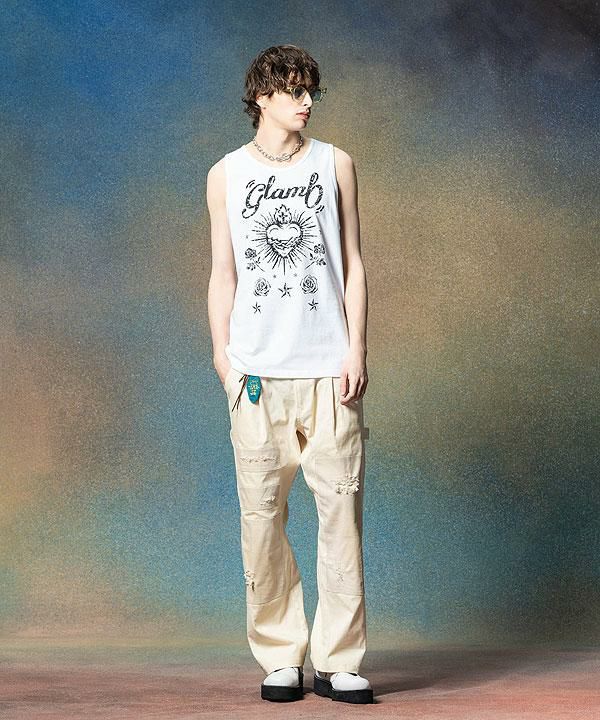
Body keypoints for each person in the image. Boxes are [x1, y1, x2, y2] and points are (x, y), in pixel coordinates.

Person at [206, 44, 372, 704]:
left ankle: (338, 659)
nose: (306, 102)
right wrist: (224, 360)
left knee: (341, 519)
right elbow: (223, 273)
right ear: (262, 96)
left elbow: (353, 263)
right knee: (261, 521)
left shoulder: (336, 164)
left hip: (330, 372)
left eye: (310, 91)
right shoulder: (226, 175)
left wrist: (356, 351)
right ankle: (279, 655)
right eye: (294, 90)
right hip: (255, 377)